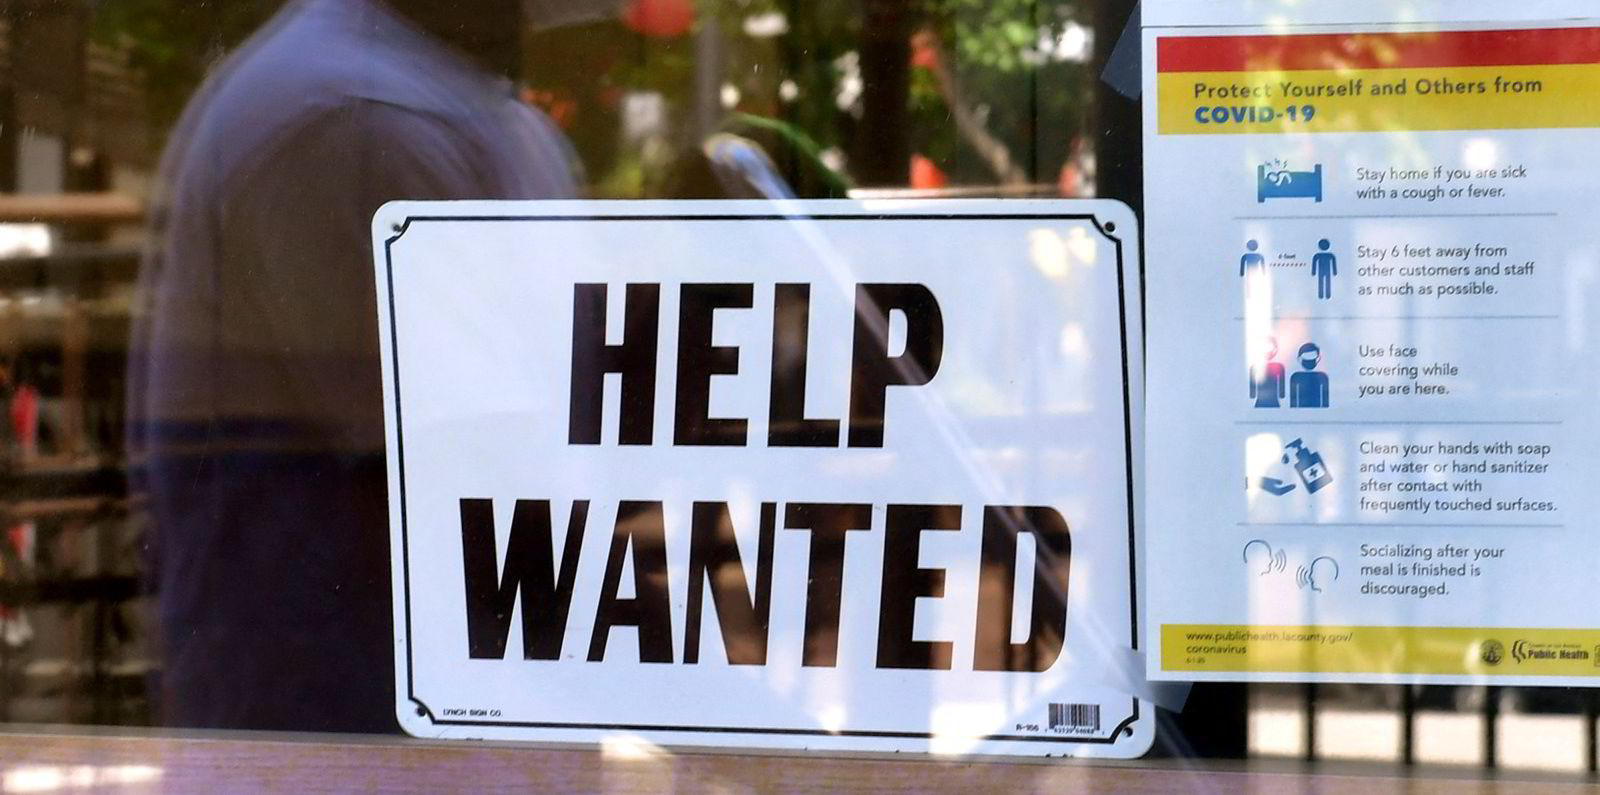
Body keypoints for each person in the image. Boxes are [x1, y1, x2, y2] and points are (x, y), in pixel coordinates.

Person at [128, 0, 617, 732]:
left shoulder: (429, 98)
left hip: (436, 715)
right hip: (349, 730)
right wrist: (713, 694)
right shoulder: (360, 117)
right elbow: (479, 520)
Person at [1289, 342, 1330, 408]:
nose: (1309, 360)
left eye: (1311, 356)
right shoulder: (1295, 377)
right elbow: (1293, 401)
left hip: (1314, 411)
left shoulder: (1295, 376)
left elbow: (1325, 400)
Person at [1249, 338, 1286, 408]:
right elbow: (1252, 390)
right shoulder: (1255, 367)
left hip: (1271, 402)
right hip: (1264, 401)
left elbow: (1282, 390)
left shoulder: (1279, 367)